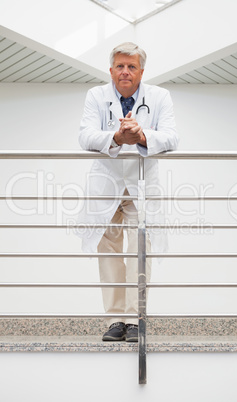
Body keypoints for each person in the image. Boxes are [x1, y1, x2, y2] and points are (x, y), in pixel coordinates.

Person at [78, 42, 178, 342]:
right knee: (107, 252)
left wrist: (142, 134)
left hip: (141, 183)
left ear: (141, 71)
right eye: (120, 66)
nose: (125, 72)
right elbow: (85, 135)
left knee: (139, 251)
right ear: (111, 70)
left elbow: (172, 137)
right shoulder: (96, 95)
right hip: (106, 183)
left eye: (131, 66)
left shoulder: (160, 97)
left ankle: (136, 321)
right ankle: (115, 320)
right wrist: (117, 137)